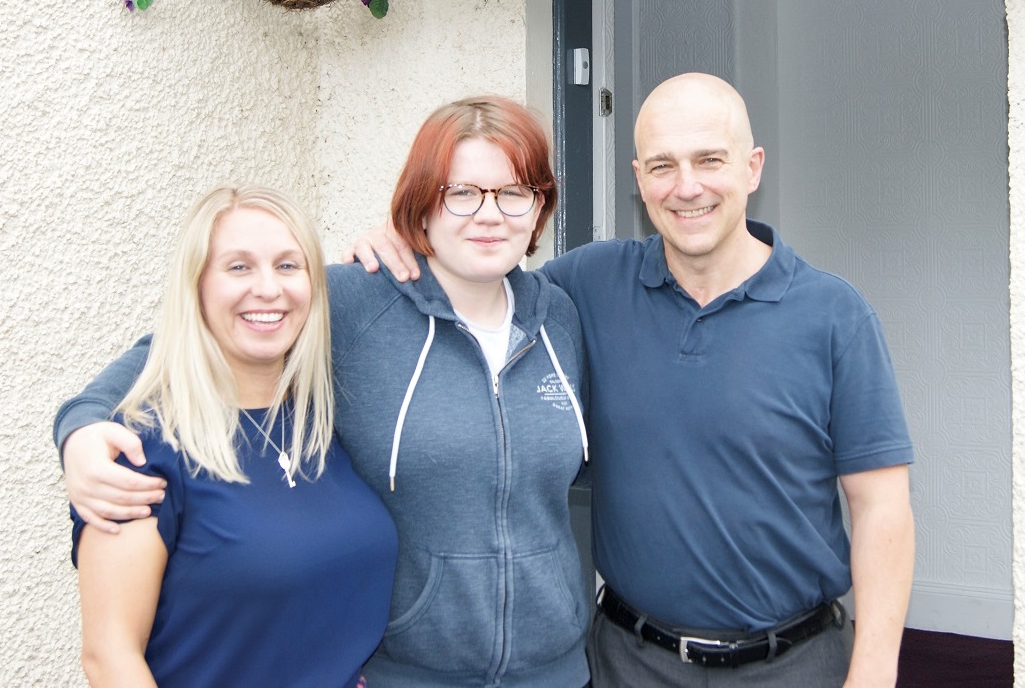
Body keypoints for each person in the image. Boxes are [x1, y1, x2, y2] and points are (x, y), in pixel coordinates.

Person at [343, 73, 917, 687]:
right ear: (639, 178)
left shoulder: (835, 315)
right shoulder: (586, 287)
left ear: (752, 168)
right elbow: (483, 275)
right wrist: (401, 241)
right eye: (664, 165)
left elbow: (882, 508)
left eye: (710, 160)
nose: (687, 186)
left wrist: (875, 671)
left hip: (795, 663)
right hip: (627, 661)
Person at [55, 98, 592, 686]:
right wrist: (80, 425)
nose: (490, 215)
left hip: (554, 672)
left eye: (514, 192)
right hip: (406, 674)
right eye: (461, 193)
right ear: (422, 203)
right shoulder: (352, 300)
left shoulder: (559, 318)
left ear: (539, 206)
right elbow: (181, 342)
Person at [69, 185, 398, 687]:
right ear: (197, 285)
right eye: (239, 267)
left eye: (288, 266)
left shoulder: (322, 426)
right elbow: (110, 657)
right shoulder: (143, 451)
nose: (268, 289)